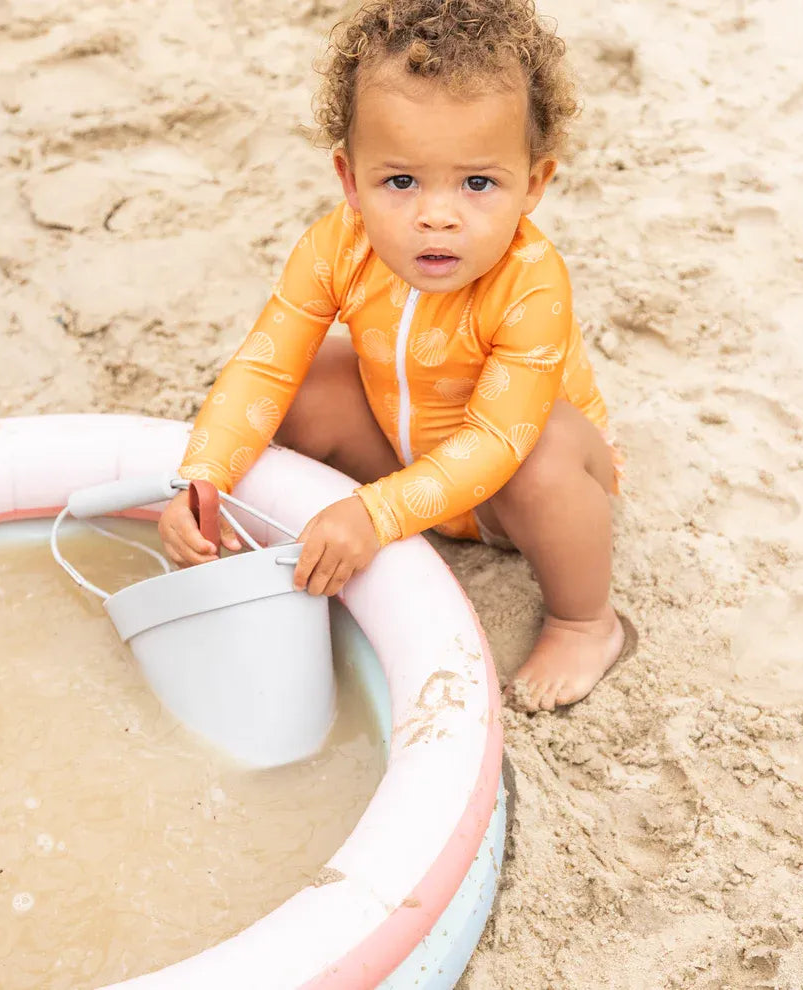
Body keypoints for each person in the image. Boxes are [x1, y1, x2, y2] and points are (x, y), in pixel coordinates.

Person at [159, 0, 628, 712]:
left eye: (478, 183)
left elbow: (498, 440)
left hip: (511, 498)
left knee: (544, 449)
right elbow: (265, 365)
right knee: (311, 379)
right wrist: (200, 479)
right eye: (401, 181)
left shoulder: (532, 281)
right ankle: (287, 531)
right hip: (403, 456)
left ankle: (584, 621)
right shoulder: (336, 246)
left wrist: (373, 516)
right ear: (351, 179)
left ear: (533, 184)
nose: (436, 216)